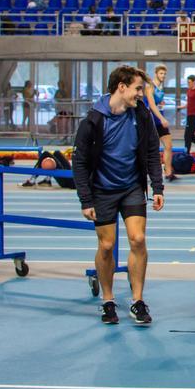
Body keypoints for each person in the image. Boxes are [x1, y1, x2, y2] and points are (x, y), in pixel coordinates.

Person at [72, 65, 164, 325]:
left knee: (138, 239)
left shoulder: (142, 115)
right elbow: (79, 161)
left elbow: (150, 152)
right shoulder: (94, 119)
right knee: (107, 246)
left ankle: (137, 300)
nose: (140, 95)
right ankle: (108, 300)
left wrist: (157, 187)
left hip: (132, 187)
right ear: (121, 87)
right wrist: (85, 199)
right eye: (137, 89)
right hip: (102, 191)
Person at [145, 65, 177, 182]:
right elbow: (152, 105)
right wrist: (162, 118)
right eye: (161, 74)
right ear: (156, 74)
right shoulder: (150, 86)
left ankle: (168, 172)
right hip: (151, 120)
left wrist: (162, 103)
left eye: (164, 74)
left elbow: (157, 102)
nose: (163, 76)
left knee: (168, 145)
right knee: (150, 148)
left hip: (159, 119)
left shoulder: (160, 87)